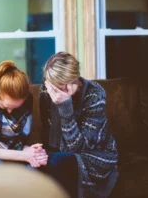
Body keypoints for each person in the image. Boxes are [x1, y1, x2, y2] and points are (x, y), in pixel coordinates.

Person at [39, 52, 119, 198]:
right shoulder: (47, 92)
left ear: (74, 81)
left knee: (58, 161)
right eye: (52, 86)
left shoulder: (94, 94)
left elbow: (78, 148)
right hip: (63, 152)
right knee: (40, 161)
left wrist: (65, 107)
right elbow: (52, 141)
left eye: (60, 87)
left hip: (96, 155)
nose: (54, 91)